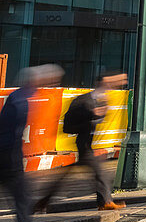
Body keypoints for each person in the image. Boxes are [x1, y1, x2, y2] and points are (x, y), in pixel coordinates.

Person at [36, 72, 129, 212]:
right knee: (100, 174)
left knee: (67, 176)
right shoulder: (82, 102)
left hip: (88, 145)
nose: (111, 86)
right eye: (109, 82)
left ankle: (43, 202)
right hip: (83, 145)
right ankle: (105, 202)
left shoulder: (102, 101)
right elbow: (67, 127)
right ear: (101, 83)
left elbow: (96, 122)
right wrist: (91, 116)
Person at [0, 64, 63, 222]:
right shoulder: (23, 98)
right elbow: (12, 132)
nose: (52, 84)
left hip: (8, 154)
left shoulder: (19, 96)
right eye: (50, 80)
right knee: (23, 196)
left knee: (22, 196)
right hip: (8, 157)